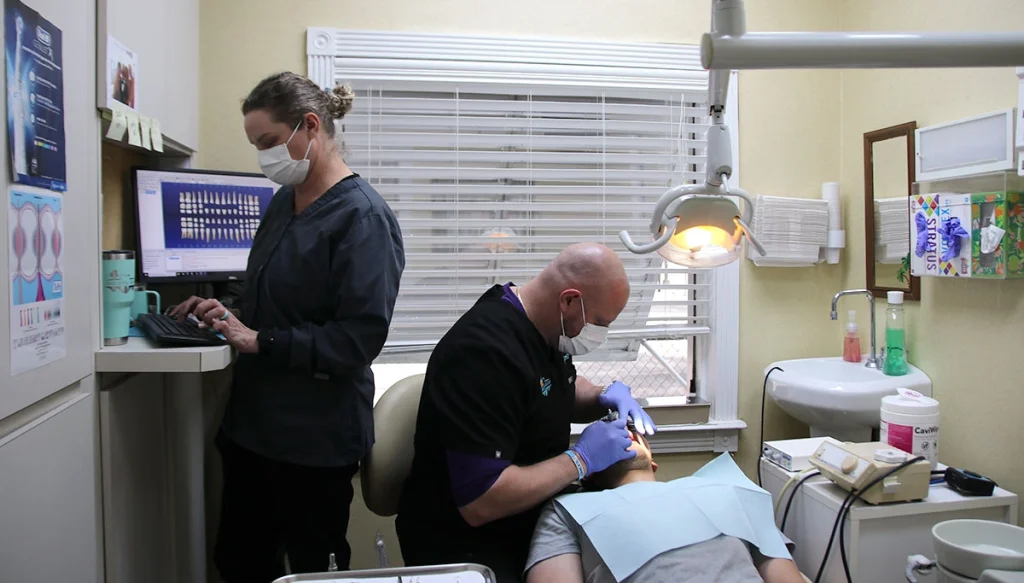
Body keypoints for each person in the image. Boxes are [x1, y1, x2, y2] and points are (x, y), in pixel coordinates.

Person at [169, 72, 405, 582]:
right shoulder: (284, 202)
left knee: (312, 571)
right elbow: (263, 291)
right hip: (253, 428)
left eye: (269, 142)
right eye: (256, 145)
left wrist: (261, 340)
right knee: (240, 562)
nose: (263, 156)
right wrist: (223, 309)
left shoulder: (363, 219)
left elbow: (356, 340)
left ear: (310, 126)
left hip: (313, 442)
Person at [396, 243, 657, 581]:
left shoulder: (548, 328)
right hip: (468, 542)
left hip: (531, 516)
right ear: (569, 301)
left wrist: (602, 396)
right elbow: (480, 501)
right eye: (599, 323)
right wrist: (580, 460)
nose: (601, 335)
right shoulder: (483, 353)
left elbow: (550, 389)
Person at [525, 424, 804, 583]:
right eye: (602, 438)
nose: (620, 431)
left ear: (653, 461)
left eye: (629, 430)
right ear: (589, 474)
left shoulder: (727, 488)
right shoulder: (567, 512)